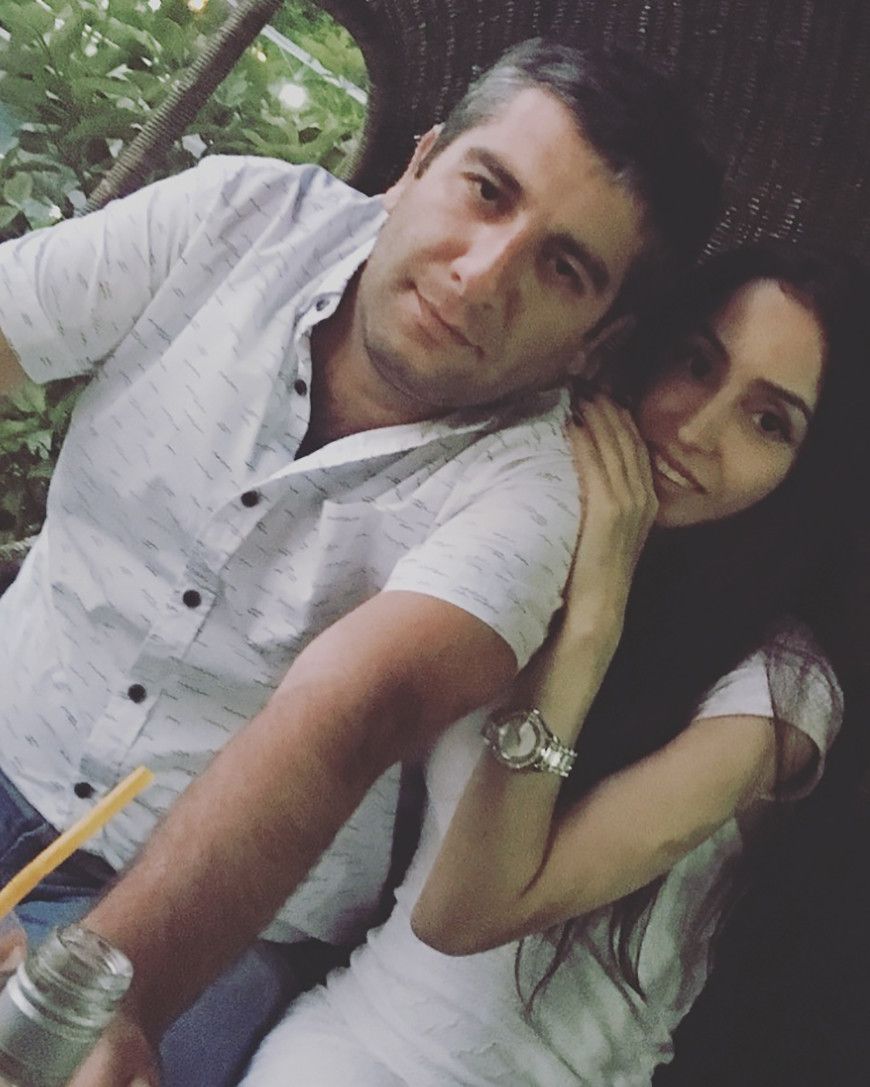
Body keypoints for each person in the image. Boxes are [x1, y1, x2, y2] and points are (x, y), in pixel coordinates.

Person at [0, 38, 720, 1087]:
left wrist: (101, 1000)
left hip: (204, 924)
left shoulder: (533, 492)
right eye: (486, 190)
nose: (482, 275)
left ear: (595, 343)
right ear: (417, 164)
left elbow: (352, 711)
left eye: (561, 268)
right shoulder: (236, 218)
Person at [241, 242, 870, 1086]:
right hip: (345, 1043)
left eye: (768, 422)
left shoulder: (783, 690)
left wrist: (594, 621)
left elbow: (465, 911)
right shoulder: (524, 521)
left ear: (811, 474)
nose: (697, 428)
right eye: (697, 364)